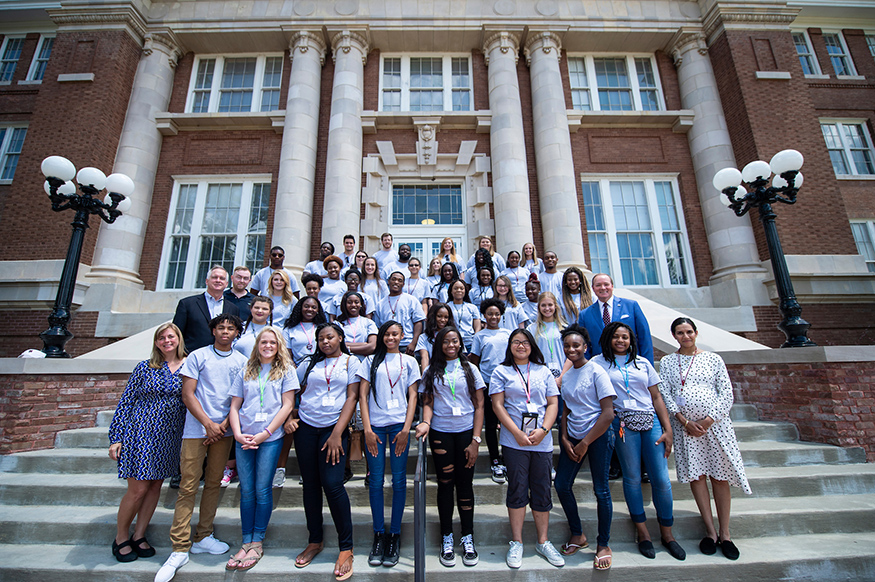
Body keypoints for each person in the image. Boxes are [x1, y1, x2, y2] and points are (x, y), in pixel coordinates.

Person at [155, 314, 247, 582]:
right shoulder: (198, 356)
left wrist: (219, 426)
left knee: (215, 484)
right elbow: (188, 394)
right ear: (213, 330)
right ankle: (179, 547)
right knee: (188, 486)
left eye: (231, 328)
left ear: (237, 333)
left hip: (224, 430)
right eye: (221, 327)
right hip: (196, 430)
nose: (226, 332)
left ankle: (204, 535)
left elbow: (237, 399)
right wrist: (207, 424)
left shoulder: (242, 361)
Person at [590, 322, 685, 561]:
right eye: (616, 337)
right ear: (608, 339)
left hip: (650, 422)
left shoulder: (642, 363)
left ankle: (668, 534)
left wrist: (667, 428)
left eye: (625, 337)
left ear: (631, 340)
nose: (621, 341)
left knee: (661, 479)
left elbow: (656, 397)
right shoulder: (597, 363)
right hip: (622, 423)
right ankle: (642, 533)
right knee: (632, 477)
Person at [659, 317, 751, 560]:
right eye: (680, 333)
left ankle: (726, 533)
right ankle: (710, 532)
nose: (685, 336)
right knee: (697, 477)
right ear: (674, 336)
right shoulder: (668, 362)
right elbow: (666, 393)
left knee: (719, 477)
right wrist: (684, 421)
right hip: (686, 430)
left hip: (715, 427)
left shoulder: (712, 358)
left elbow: (726, 392)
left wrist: (709, 420)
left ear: (696, 333)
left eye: (689, 331)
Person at [109, 323, 187, 563]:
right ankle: (121, 537)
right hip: (140, 432)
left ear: (178, 339)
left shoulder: (188, 367)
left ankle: (139, 534)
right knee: (138, 489)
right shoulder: (144, 368)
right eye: (161, 338)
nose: (166, 341)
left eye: (170, 337)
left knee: (155, 487)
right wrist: (116, 437)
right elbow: (126, 402)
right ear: (156, 342)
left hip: (169, 436)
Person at [489, 328, 563, 569]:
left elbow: (553, 403)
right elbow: (498, 405)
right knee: (517, 488)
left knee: (542, 489)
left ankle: (543, 541)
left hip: (541, 441)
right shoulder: (501, 371)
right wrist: (517, 433)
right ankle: (517, 542)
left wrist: (543, 429)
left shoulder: (543, 371)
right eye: (515, 342)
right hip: (514, 441)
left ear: (532, 345)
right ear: (509, 346)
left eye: (525, 342)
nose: (520, 346)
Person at [291, 323, 360, 581]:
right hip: (307, 429)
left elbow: (352, 398)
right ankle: (315, 540)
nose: (325, 342)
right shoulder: (309, 363)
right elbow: (289, 389)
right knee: (310, 485)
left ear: (340, 338)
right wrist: (291, 414)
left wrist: (335, 435)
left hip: (334, 429)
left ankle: (346, 547)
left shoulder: (351, 362)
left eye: (330, 337)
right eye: (320, 338)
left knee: (332, 484)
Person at [226, 327, 298, 571]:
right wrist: (237, 433)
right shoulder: (245, 370)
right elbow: (235, 406)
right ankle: (245, 541)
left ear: (279, 346)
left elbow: (287, 406)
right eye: (264, 342)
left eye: (272, 342)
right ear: (257, 345)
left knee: (262, 489)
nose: (268, 346)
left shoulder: (287, 370)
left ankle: (257, 541)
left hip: (269, 438)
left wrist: (265, 433)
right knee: (246, 491)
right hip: (244, 437)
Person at [415, 327, 485, 568]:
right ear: (439, 345)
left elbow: (479, 406)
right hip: (441, 432)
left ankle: (468, 536)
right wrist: (425, 422)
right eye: (446, 342)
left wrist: (476, 440)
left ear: (460, 343)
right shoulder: (430, 371)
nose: (451, 345)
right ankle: (447, 536)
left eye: (455, 341)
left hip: (466, 432)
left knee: (465, 484)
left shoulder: (470, 368)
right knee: (445, 483)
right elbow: (428, 403)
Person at [553, 324, 616, 570]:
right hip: (574, 437)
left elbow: (608, 413)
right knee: (561, 485)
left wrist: (586, 443)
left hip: (598, 436)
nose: (571, 349)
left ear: (585, 347)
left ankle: (603, 544)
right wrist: (566, 439)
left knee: (601, 490)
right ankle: (578, 534)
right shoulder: (566, 376)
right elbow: (566, 410)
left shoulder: (596, 371)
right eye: (567, 345)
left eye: (576, 345)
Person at [358, 321, 420, 567]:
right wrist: (367, 429)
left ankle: (394, 535)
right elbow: (362, 395)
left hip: (398, 427)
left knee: (398, 479)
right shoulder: (370, 360)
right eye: (386, 334)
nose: (390, 338)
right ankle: (378, 534)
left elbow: (413, 395)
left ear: (402, 335)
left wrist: (407, 428)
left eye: (395, 334)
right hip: (375, 427)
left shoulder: (410, 362)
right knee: (375, 480)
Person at [468, 298, 511, 484]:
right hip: (488, 383)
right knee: (492, 425)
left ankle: (511, 457)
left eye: (496, 314)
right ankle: (495, 459)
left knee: (510, 422)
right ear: (484, 316)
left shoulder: (509, 334)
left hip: (508, 383)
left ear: (501, 315)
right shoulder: (480, 336)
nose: (493, 317)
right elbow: (475, 361)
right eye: (489, 314)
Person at [581, 274, 654, 364]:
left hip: (630, 363)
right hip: (601, 365)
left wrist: (648, 365)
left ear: (612, 286)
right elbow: (585, 345)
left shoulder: (631, 306)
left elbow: (644, 337)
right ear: (593, 288)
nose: (603, 288)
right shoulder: (585, 314)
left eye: (606, 284)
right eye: (598, 285)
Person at [172, 266, 240, 353]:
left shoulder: (233, 309)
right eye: (214, 277)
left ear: (226, 284)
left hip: (222, 357)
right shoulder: (187, 304)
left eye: (222, 278)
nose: (218, 280)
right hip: (191, 356)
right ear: (207, 281)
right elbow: (176, 333)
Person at [375, 271, 426, 355]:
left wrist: (413, 343)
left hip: (406, 345)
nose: (396, 282)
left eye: (399, 280)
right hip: (387, 345)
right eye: (393, 279)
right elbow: (378, 327)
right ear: (388, 281)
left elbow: (418, 322)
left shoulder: (411, 300)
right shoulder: (380, 304)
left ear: (403, 284)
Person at [527, 292, 569, 380]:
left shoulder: (564, 328)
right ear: (538, 307)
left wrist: (561, 377)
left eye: (550, 305)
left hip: (562, 375)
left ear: (555, 306)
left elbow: (570, 355)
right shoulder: (531, 329)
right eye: (543, 305)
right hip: (539, 376)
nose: (547, 308)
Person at [283, 296, 328, 365]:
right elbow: (287, 355)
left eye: (314, 307)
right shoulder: (289, 329)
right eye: (306, 306)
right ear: (300, 308)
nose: (310, 309)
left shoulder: (323, 328)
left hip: (320, 368)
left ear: (318, 310)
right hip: (297, 368)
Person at [415, 302, 458, 371]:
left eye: (446, 317)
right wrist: (424, 375)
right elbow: (425, 357)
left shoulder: (454, 335)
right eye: (439, 316)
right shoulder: (424, 337)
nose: (443, 320)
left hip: (452, 371)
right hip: (433, 371)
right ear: (433, 316)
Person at [337, 291, 378, 358]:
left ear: (361, 304)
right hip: (343, 360)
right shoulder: (337, 323)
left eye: (356, 302)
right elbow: (336, 345)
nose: (353, 305)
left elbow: (372, 347)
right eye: (349, 302)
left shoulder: (369, 322)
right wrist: (364, 344)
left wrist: (347, 348)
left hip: (363, 361)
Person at [447, 279, 481, 352]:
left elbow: (477, 326)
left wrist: (475, 341)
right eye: (455, 288)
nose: (459, 290)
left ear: (465, 291)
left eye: (461, 288)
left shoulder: (472, 307)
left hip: (469, 343)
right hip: (452, 343)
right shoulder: (447, 307)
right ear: (451, 291)